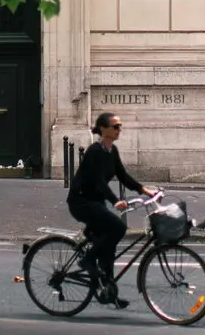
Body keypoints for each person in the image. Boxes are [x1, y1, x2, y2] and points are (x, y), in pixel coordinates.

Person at [66, 112, 155, 309]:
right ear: (104, 129)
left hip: (95, 203)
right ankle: (88, 260)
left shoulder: (111, 151)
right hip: (81, 202)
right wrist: (115, 201)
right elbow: (99, 181)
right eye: (115, 126)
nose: (119, 129)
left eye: (120, 126)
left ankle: (109, 291)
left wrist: (144, 190)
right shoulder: (95, 151)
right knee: (117, 228)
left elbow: (122, 175)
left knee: (108, 247)